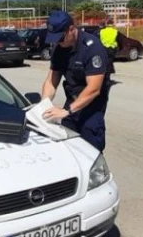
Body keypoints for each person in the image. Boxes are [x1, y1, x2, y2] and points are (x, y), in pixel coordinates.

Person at [41, 11, 112, 152]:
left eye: (61, 38)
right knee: (68, 150)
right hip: (71, 105)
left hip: (90, 109)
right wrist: (43, 105)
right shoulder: (59, 49)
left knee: (90, 153)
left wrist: (67, 111)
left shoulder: (92, 48)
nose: (58, 42)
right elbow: (51, 80)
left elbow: (94, 88)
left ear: (72, 30)